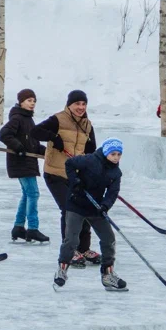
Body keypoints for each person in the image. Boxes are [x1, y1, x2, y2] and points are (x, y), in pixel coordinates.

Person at [34, 90, 99, 266]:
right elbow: (35, 132)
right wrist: (54, 138)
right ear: (69, 105)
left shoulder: (87, 125)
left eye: (83, 104)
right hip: (55, 173)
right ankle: (69, 251)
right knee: (70, 210)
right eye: (77, 104)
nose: (81, 107)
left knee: (85, 208)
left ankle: (84, 249)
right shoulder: (58, 119)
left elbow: (92, 151)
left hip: (76, 175)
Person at [54, 138, 127, 292]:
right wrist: (75, 182)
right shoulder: (90, 160)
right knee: (72, 240)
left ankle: (108, 275)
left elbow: (113, 192)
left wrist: (105, 206)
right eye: (113, 154)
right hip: (76, 204)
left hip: (96, 208)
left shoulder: (116, 172)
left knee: (109, 239)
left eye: (119, 154)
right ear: (106, 152)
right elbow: (70, 164)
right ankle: (62, 270)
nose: (116, 157)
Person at [0, 88, 50, 244]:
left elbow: (32, 144)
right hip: (20, 162)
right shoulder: (17, 118)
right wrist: (18, 147)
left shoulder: (28, 119)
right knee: (33, 194)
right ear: (21, 102)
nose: (32, 103)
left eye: (34, 101)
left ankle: (19, 227)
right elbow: (4, 134)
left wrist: (48, 152)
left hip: (27, 162)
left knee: (27, 194)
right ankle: (33, 229)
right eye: (29, 100)